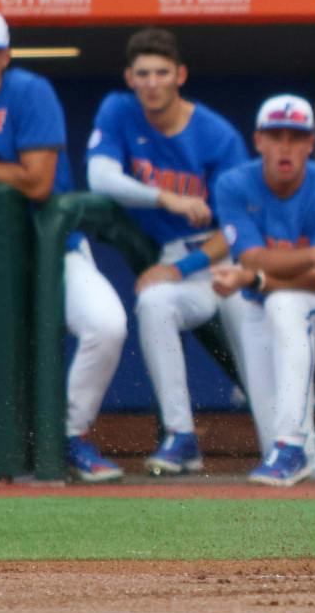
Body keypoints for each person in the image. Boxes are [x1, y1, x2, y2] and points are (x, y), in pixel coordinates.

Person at [0, 8, 124, 482]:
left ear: (6, 55)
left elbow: (37, 184)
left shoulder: (31, 92)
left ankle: (68, 435)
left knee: (107, 326)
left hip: (52, 247)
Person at [86, 27, 247, 476]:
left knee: (259, 357)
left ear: (180, 75)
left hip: (222, 258)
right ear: (130, 78)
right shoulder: (119, 110)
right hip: (179, 260)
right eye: (143, 74)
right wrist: (166, 198)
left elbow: (238, 231)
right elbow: (99, 178)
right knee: (153, 303)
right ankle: (182, 436)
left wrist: (183, 268)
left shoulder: (218, 135)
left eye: (161, 72)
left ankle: (295, 445)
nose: (152, 82)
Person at [208, 94, 315, 484]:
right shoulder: (234, 184)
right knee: (276, 452)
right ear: (258, 139)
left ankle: (293, 444)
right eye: (275, 135)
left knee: (284, 304)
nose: (285, 145)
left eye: (295, 136)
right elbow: (252, 260)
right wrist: (311, 254)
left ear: (310, 142)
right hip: (260, 308)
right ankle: (301, 454)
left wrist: (261, 278)